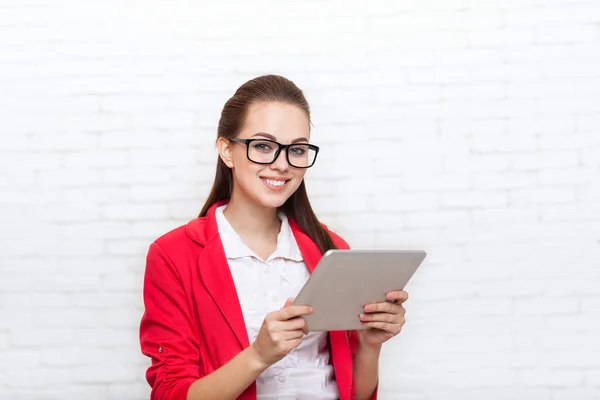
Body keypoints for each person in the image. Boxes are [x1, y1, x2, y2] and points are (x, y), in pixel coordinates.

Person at [139, 74, 409, 400]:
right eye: (263, 146)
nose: (282, 165)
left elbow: (355, 393)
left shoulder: (332, 249)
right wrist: (259, 355)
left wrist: (369, 345)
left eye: (296, 149)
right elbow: (171, 394)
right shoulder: (174, 256)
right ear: (227, 150)